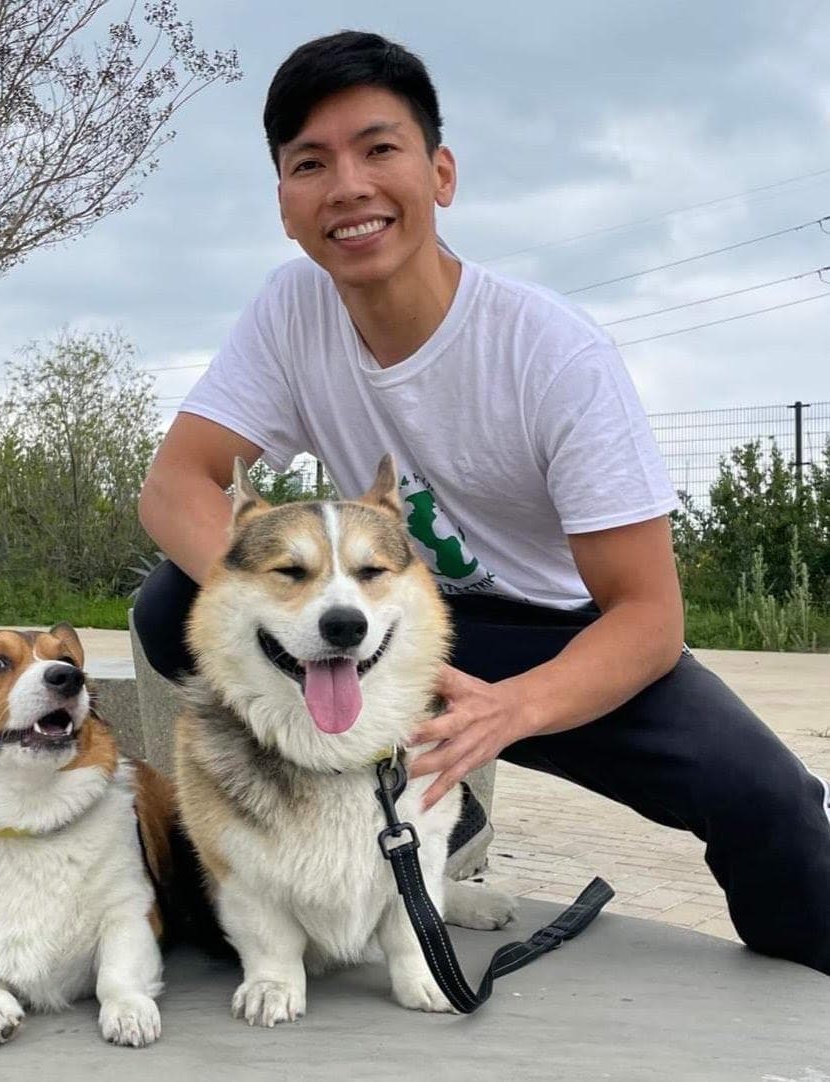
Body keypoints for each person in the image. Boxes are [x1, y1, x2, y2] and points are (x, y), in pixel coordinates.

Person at [135, 30, 830, 975]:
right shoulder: (289, 309)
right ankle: (289, 873)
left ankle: (807, 967)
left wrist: (504, 709)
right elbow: (176, 483)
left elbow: (649, 615)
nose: (347, 186)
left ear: (441, 173)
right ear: (286, 205)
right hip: (383, 613)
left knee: (767, 801)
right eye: (311, 163)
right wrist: (273, 599)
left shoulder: (552, 353)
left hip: (552, 636)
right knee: (182, 604)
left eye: (379, 149)